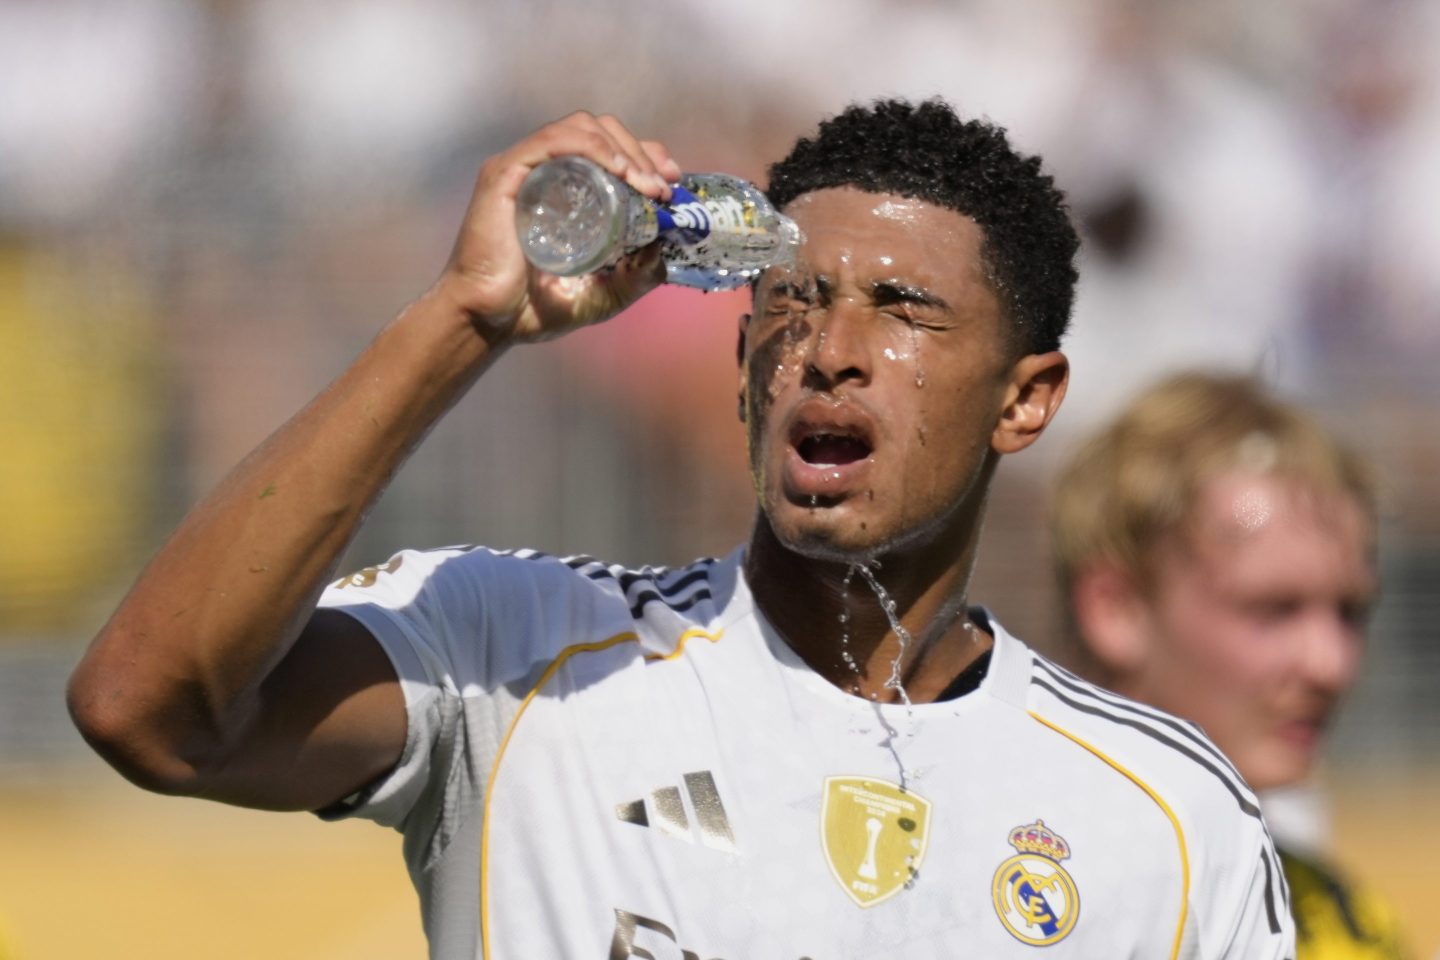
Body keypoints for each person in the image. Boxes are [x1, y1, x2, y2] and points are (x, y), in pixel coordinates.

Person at [67, 99, 1294, 958]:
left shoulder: (1167, 822)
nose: (832, 349)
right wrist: (464, 318)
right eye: (794, 300)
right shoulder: (521, 655)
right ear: (743, 360)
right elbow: (147, 711)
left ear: (1025, 400)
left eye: (903, 309)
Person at [1050, 370, 1409, 959]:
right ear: (1116, 608)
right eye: (1273, 610)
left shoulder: (1348, 921)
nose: (1332, 664)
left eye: (1349, 613)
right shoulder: (1006, 897)